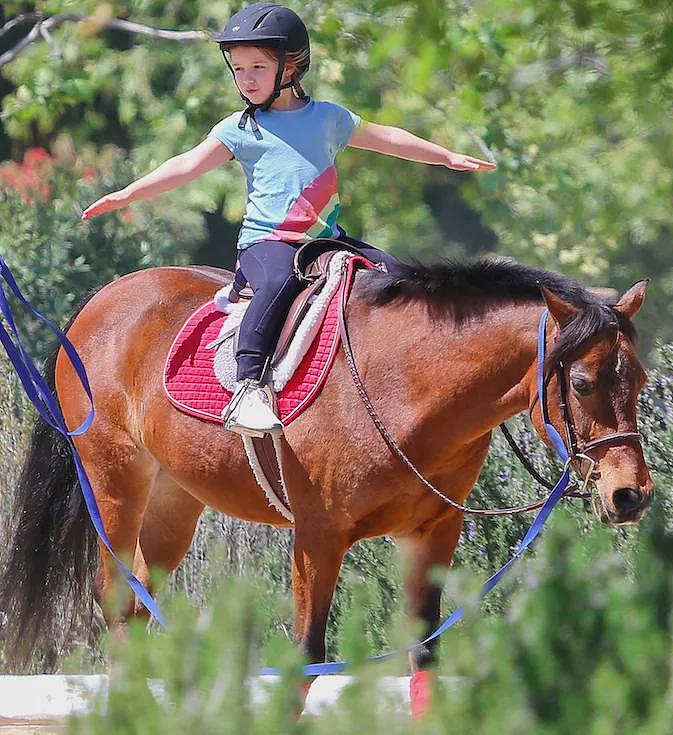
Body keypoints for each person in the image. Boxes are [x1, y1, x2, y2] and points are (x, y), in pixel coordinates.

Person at [82, 2, 496, 438]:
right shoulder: (239, 130)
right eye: (239, 69)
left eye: (258, 66)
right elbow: (186, 165)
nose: (247, 78)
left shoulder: (330, 118)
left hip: (326, 241)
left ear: (293, 65)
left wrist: (445, 156)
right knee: (278, 283)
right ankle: (247, 387)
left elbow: (385, 137)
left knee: (394, 274)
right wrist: (130, 192)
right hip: (267, 245)